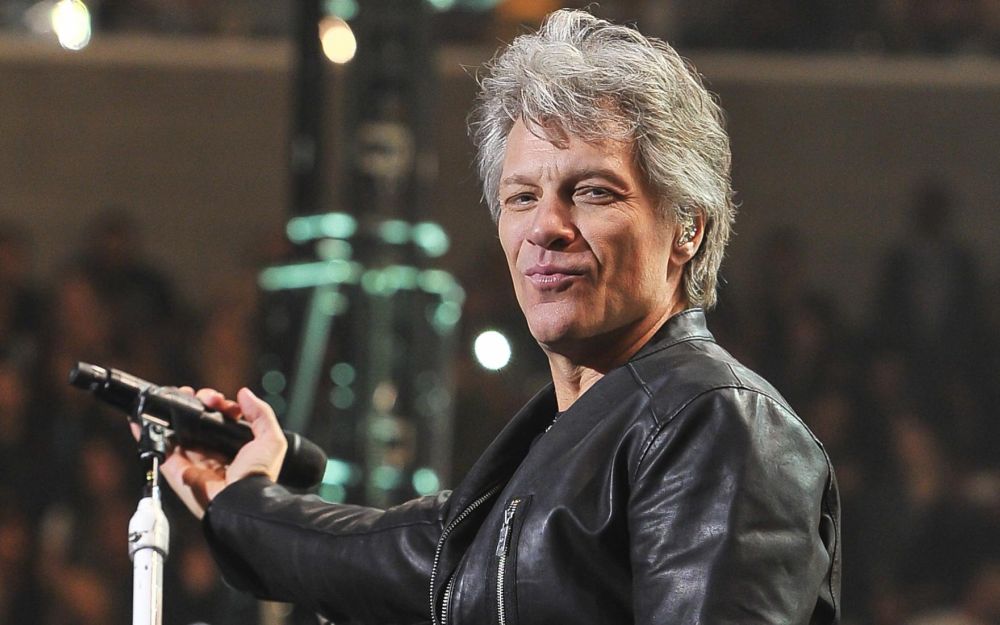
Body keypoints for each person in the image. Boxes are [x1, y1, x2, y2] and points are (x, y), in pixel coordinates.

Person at [160, 10, 841, 625]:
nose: (546, 226)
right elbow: (378, 558)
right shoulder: (540, 459)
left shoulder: (716, 423)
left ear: (687, 227)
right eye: (521, 197)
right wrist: (237, 497)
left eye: (592, 192)